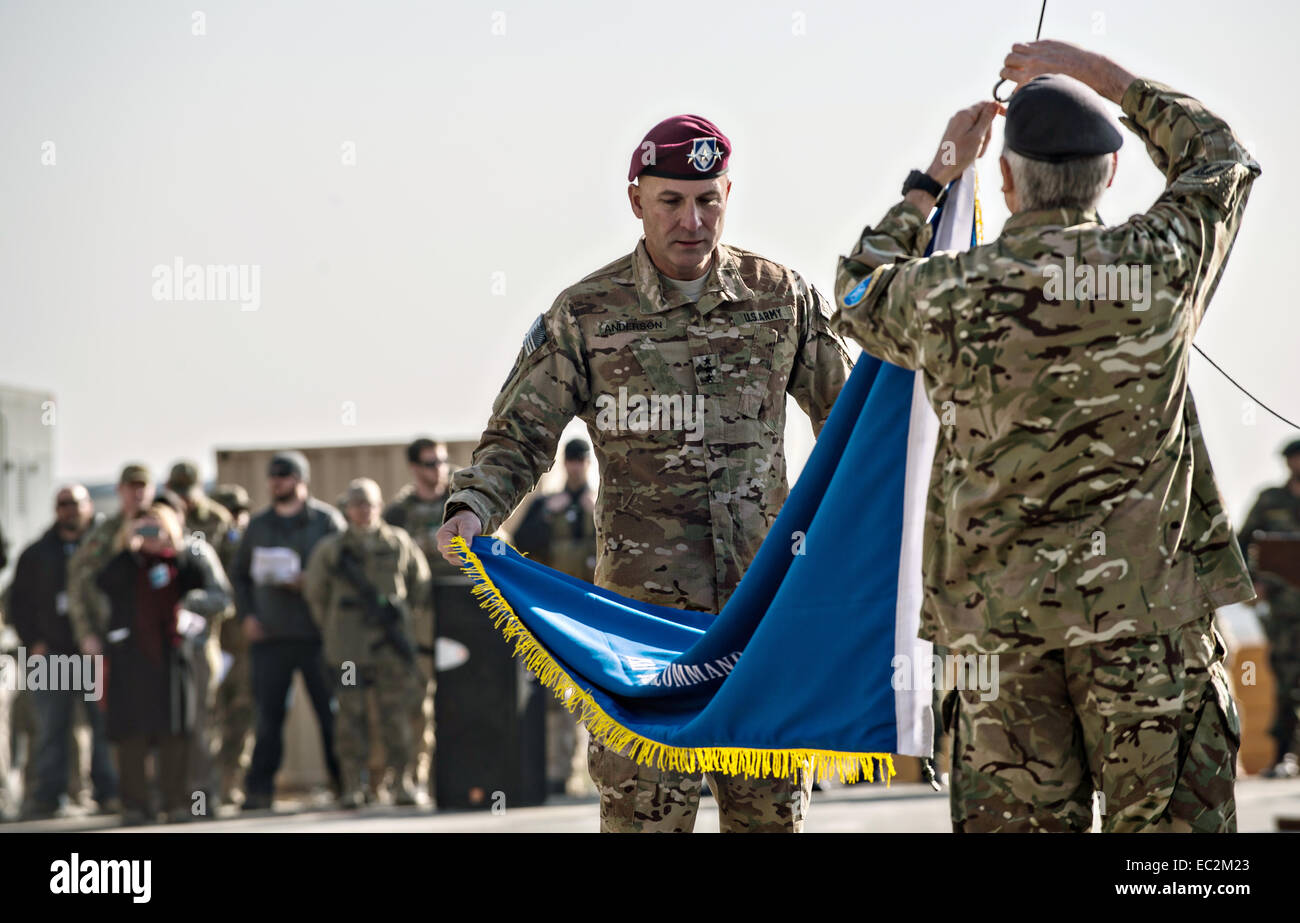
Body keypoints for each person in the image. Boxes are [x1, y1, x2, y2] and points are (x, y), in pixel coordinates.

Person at [833, 40, 1259, 832]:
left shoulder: (948, 294)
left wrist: (933, 179)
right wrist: (1090, 71)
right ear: (1112, 173)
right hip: (1150, 628)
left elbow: (858, 288)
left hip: (1000, 645)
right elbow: (1219, 156)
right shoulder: (1160, 263)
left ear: (1005, 177)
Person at [435, 114, 853, 833]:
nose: (692, 221)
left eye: (708, 200)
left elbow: (847, 423)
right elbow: (520, 434)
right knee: (645, 822)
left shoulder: (781, 300)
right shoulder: (587, 315)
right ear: (636, 200)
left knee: (772, 822)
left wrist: (852, 542)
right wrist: (473, 504)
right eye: (671, 201)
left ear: (728, 194)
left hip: (758, 624)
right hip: (640, 640)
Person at [93, 501, 230, 824]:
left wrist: (173, 545)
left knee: (176, 733)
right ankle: (135, 805)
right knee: (132, 735)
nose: (151, 535)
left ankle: (178, 802)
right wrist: (131, 544)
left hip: (173, 658)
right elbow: (104, 582)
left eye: (157, 528)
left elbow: (209, 589)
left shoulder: (182, 562)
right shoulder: (126, 564)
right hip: (131, 659)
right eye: (145, 528)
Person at [229, 451, 344, 810]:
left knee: (331, 714)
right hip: (270, 637)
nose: (276, 481)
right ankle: (259, 792)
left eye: (284, 475)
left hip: (317, 637)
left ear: (301, 479)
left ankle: (345, 786)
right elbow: (239, 576)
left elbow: (345, 573)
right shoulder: (259, 525)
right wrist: (247, 615)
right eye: (272, 475)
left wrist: (310, 583)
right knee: (267, 718)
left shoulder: (326, 522)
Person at [305, 478, 430, 807]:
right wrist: (336, 628)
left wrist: (403, 621)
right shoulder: (332, 550)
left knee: (397, 715)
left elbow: (420, 586)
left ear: (379, 507)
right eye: (357, 505)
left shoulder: (398, 543)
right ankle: (352, 786)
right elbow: (316, 596)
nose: (363, 511)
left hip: (391, 646)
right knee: (350, 717)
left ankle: (402, 782)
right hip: (348, 650)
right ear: (347, 509)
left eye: (370, 505)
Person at [8, 485, 120, 818]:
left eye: (76, 503)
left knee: (102, 728)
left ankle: (109, 793)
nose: (70, 510)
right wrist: (34, 643)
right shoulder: (37, 553)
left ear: (89, 506)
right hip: (52, 654)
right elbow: (17, 604)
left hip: (94, 652)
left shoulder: (107, 547)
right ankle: (47, 798)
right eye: (63, 504)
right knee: (51, 729)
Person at [512, 437, 597, 795]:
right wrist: (549, 514)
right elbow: (521, 541)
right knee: (555, 696)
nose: (576, 466)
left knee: (590, 696)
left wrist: (596, 512)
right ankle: (557, 772)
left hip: (593, 614)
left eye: (581, 460)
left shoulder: (603, 502)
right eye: (571, 460)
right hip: (555, 612)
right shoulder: (547, 503)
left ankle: (586, 773)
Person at [382, 437, 455, 800]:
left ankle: (463, 776)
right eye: (429, 463)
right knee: (415, 703)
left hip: (464, 619)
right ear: (414, 468)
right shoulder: (397, 515)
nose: (438, 469)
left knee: (464, 699)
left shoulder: (463, 505)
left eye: (442, 461)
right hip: (418, 622)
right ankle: (413, 778)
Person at [165, 460, 235, 810]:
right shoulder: (139, 550)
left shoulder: (206, 539)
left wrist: (188, 602)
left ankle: (203, 797)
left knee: (202, 724)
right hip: (158, 652)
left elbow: (226, 592)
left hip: (203, 641)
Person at [1238, 438, 1300, 778]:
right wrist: (1252, 584)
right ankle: (1282, 756)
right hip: (1284, 612)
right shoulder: (1270, 500)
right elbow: (1242, 541)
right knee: (1286, 682)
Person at [209, 483, 255, 802]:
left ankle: (231, 784)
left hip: (245, 647)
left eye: (240, 512)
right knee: (210, 715)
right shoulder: (209, 548)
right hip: (215, 645)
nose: (236, 519)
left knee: (243, 714)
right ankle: (207, 786)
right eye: (229, 511)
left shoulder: (253, 545)